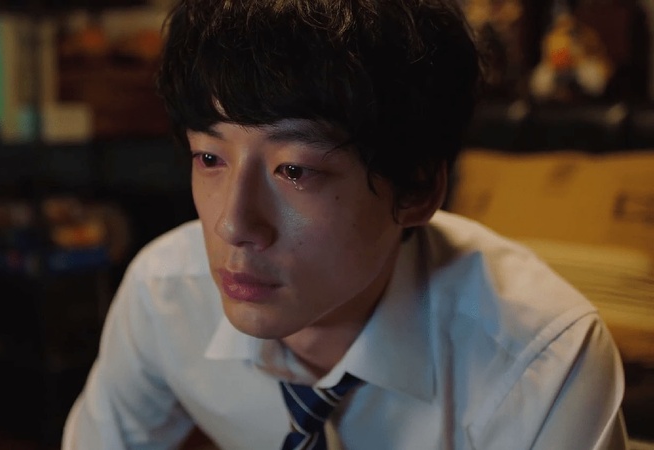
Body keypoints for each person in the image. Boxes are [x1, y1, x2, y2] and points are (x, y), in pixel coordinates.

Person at [63, 0, 628, 448]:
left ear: (416, 189)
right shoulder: (166, 297)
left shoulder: (538, 364)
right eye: (210, 158)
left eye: (294, 170)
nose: (233, 225)